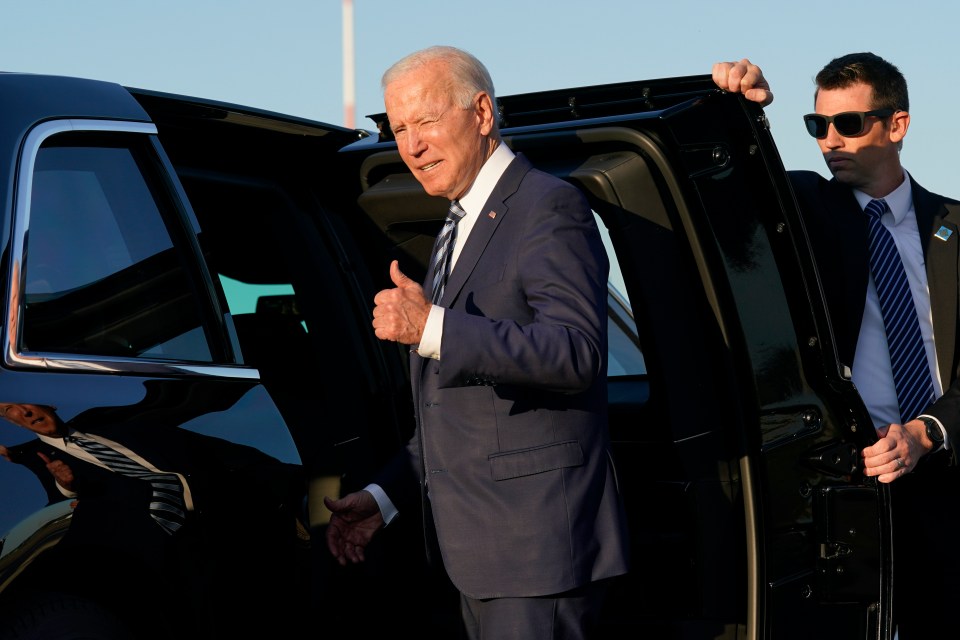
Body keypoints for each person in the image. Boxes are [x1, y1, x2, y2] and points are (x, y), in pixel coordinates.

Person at [323, 45, 629, 639]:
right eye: (400, 127)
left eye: (428, 121)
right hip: (476, 556)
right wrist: (384, 497)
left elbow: (576, 352)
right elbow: (457, 415)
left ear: (482, 113)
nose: (411, 145)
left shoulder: (547, 205)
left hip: (536, 555)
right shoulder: (455, 224)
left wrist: (431, 328)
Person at [713, 53, 960, 639]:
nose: (829, 140)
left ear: (897, 124)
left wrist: (925, 433)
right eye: (817, 125)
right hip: (849, 489)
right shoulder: (805, 209)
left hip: (946, 475)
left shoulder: (954, 229)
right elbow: (738, 198)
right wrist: (741, 114)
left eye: (849, 124)